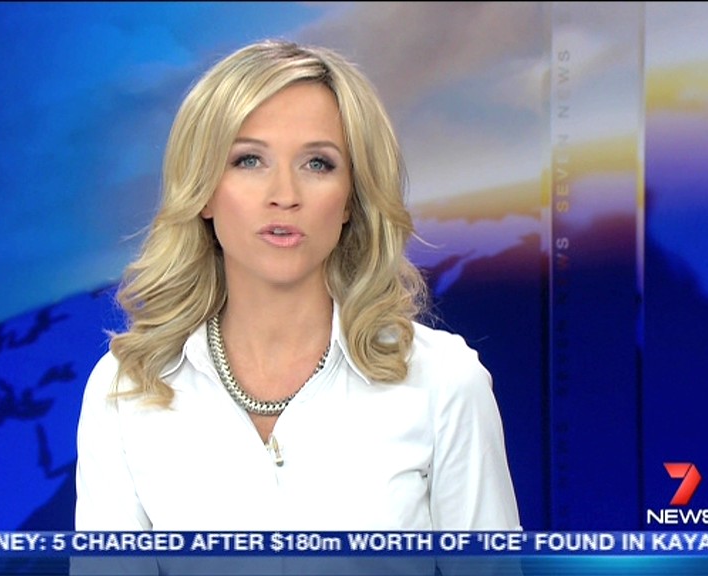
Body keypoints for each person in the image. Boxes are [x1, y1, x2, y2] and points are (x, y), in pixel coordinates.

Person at [74, 37, 520, 552]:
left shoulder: (442, 382)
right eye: (249, 160)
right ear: (203, 191)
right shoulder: (126, 389)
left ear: (351, 199)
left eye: (317, 164)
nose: (283, 195)